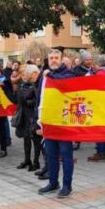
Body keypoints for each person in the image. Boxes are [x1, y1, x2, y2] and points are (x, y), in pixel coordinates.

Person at [39, 49, 77, 198]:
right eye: (51, 58)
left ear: (61, 59)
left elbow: (62, 83)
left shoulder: (68, 74)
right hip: (49, 121)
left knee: (66, 156)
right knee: (51, 155)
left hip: (64, 122)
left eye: (56, 58)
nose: (53, 60)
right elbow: (40, 98)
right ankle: (53, 182)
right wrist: (38, 122)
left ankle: (67, 185)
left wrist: (49, 75)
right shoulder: (46, 76)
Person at [13, 65, 43, 171]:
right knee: (26, 139)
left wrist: (29, 102)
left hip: (33, 115)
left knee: (35, 140)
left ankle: (36, 161)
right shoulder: (22, 85)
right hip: (24, 115)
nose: (24, 76)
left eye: (25, 73)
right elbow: (17, 100)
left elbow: (38, 100)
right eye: (22, 74)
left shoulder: (35, 84)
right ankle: (27, 160)